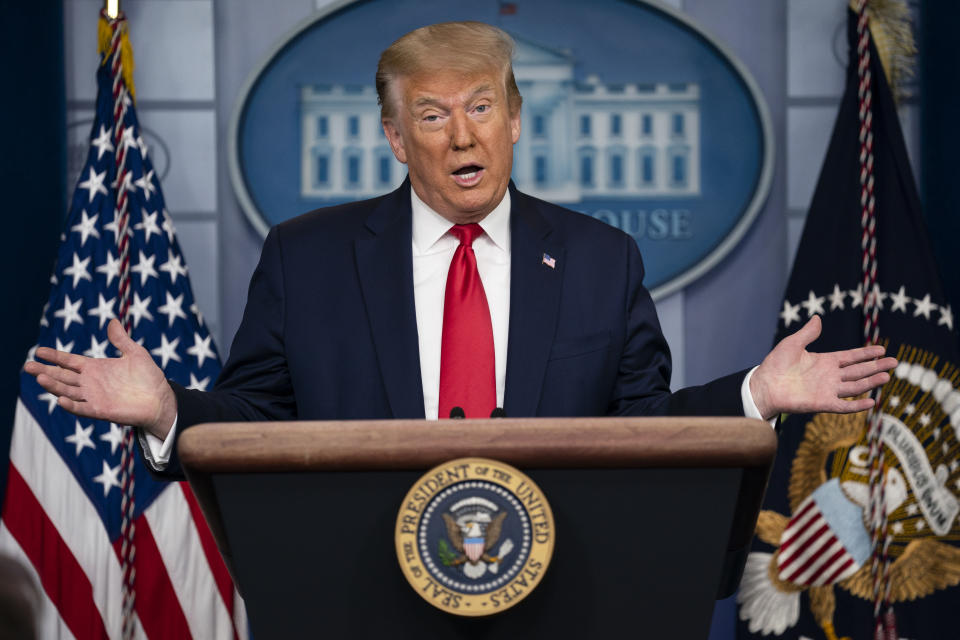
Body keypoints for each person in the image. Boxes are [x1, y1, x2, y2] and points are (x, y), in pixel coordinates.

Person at [25, 22, 895, 479]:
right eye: (433, 116)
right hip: (360, 594)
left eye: (482, 108)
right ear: (397, 139)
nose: (461, 135)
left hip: (562, 592)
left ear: (515, 120)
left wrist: (757, 392)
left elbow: (640, 432)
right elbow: (258, 425)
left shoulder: (600, 259)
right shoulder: (309, 258)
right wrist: (168, 411)